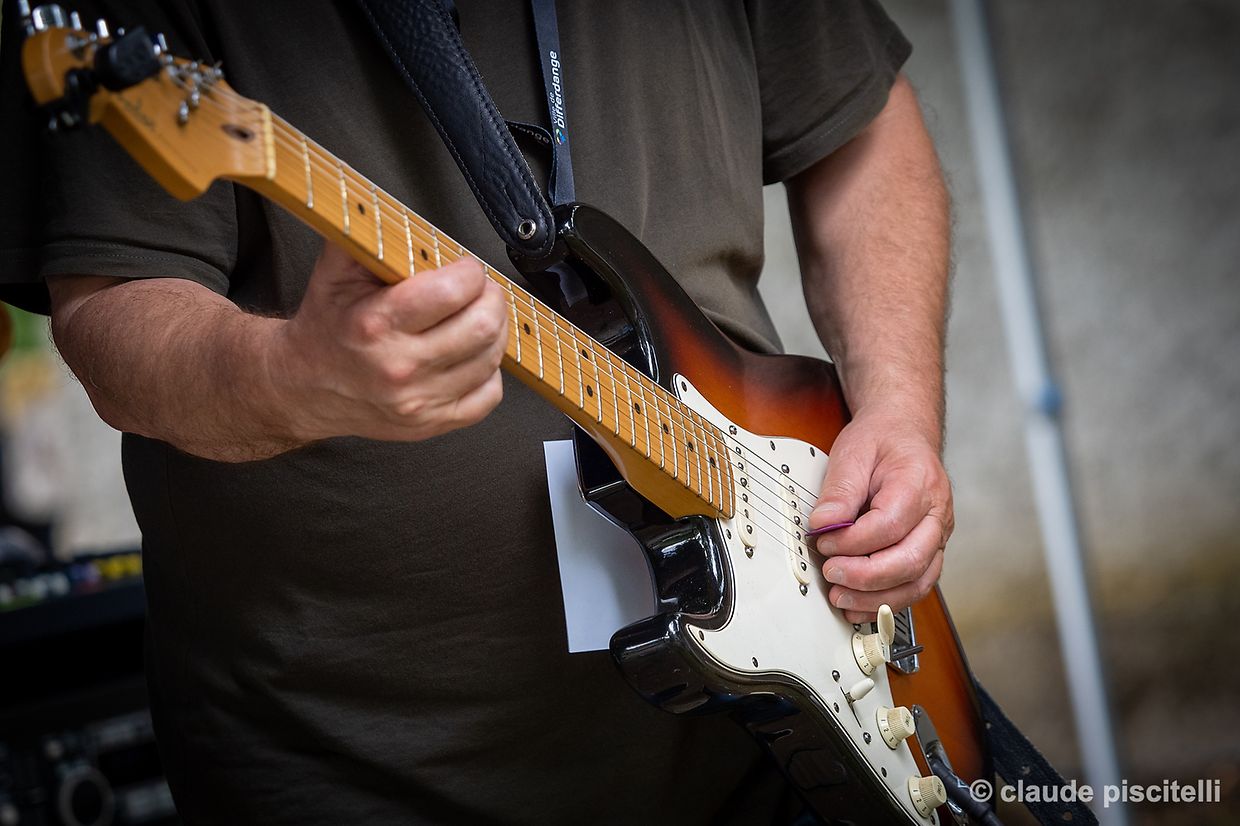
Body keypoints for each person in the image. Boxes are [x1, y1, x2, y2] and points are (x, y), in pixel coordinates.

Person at [0, 0, 952, 822]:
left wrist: (901, 412)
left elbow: (861, 129)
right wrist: (292, 375)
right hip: (364, 774)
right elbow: (114, 309)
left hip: (781, 728)